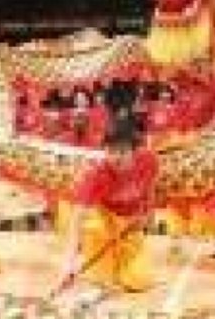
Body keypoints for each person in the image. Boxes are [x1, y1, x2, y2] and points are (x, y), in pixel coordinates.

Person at [58, 111, 159, 293]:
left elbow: (150, 186)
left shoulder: (148, 160)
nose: (116, 157)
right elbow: (77, 219)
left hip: (129, 222)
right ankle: (101, 266)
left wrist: (149, 212)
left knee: (137, 281)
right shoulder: (96, 175)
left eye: (122, 151)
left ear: (134, 150)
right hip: (102, 220)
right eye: (111, 151)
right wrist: (69, 262)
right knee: (104, 277)